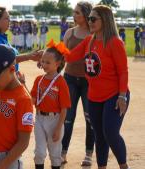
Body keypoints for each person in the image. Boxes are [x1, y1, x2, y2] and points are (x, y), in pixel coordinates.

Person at [65, 5, 130, 169]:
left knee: (110, 133)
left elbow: (123, 71)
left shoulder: (114, 42)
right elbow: (71, 56)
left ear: (105, 20)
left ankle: (124, 166)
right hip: (94, 95)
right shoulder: (89, 40)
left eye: (94, 19)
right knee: (99, 135)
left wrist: (122, 96)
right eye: (89, 18)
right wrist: (50, 51)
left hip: (114, 95)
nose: (90, 21)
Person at [61, 1, 95, 166]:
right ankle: (62, 152)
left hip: (89, 82)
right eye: (73, 12)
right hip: (70, 79)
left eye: (77, 13)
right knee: (68, 117)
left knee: (90, 118)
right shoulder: (70, 32)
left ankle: (89, 154)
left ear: (86, 15)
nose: (74, 16)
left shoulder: (95, 33)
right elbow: (62, 55)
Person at [31, 40, 71, 169]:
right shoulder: (39, 79)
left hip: (55, 120)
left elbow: (64, 108)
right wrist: (23, 84)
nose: (44, 64)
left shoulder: (61, 82)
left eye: (48, 62)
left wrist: (59, 128)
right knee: (39, 152)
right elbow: (32, 100)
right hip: (39, 119)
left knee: (55, 154)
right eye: (43, 61)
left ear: (58, 63)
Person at [0, 6, 40, 72]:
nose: (9, 21)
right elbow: (6, 61)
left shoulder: (0, 36)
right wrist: (28, 56)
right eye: (6, 18)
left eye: (9, 18)